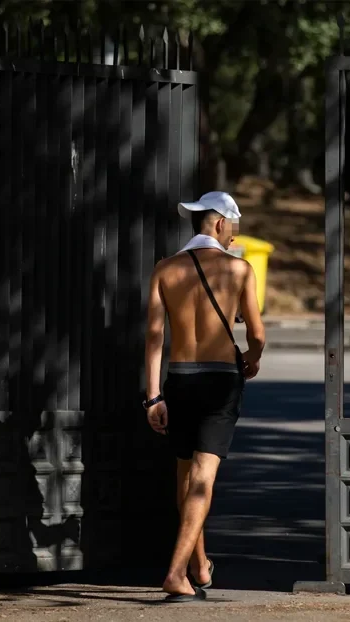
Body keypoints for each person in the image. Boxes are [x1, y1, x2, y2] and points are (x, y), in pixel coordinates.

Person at [143, 190, 266, 602]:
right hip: (219, 382)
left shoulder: (164, 269)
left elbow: (154, 338)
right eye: (233, 227)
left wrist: (153, 396)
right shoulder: (240, 270)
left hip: (178, 380)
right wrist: (253, 357)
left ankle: (198, 565)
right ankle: (177, 572)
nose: (234, 236)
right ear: (219, 224)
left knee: (185, 476)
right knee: (204, 477)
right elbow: (258, 333)